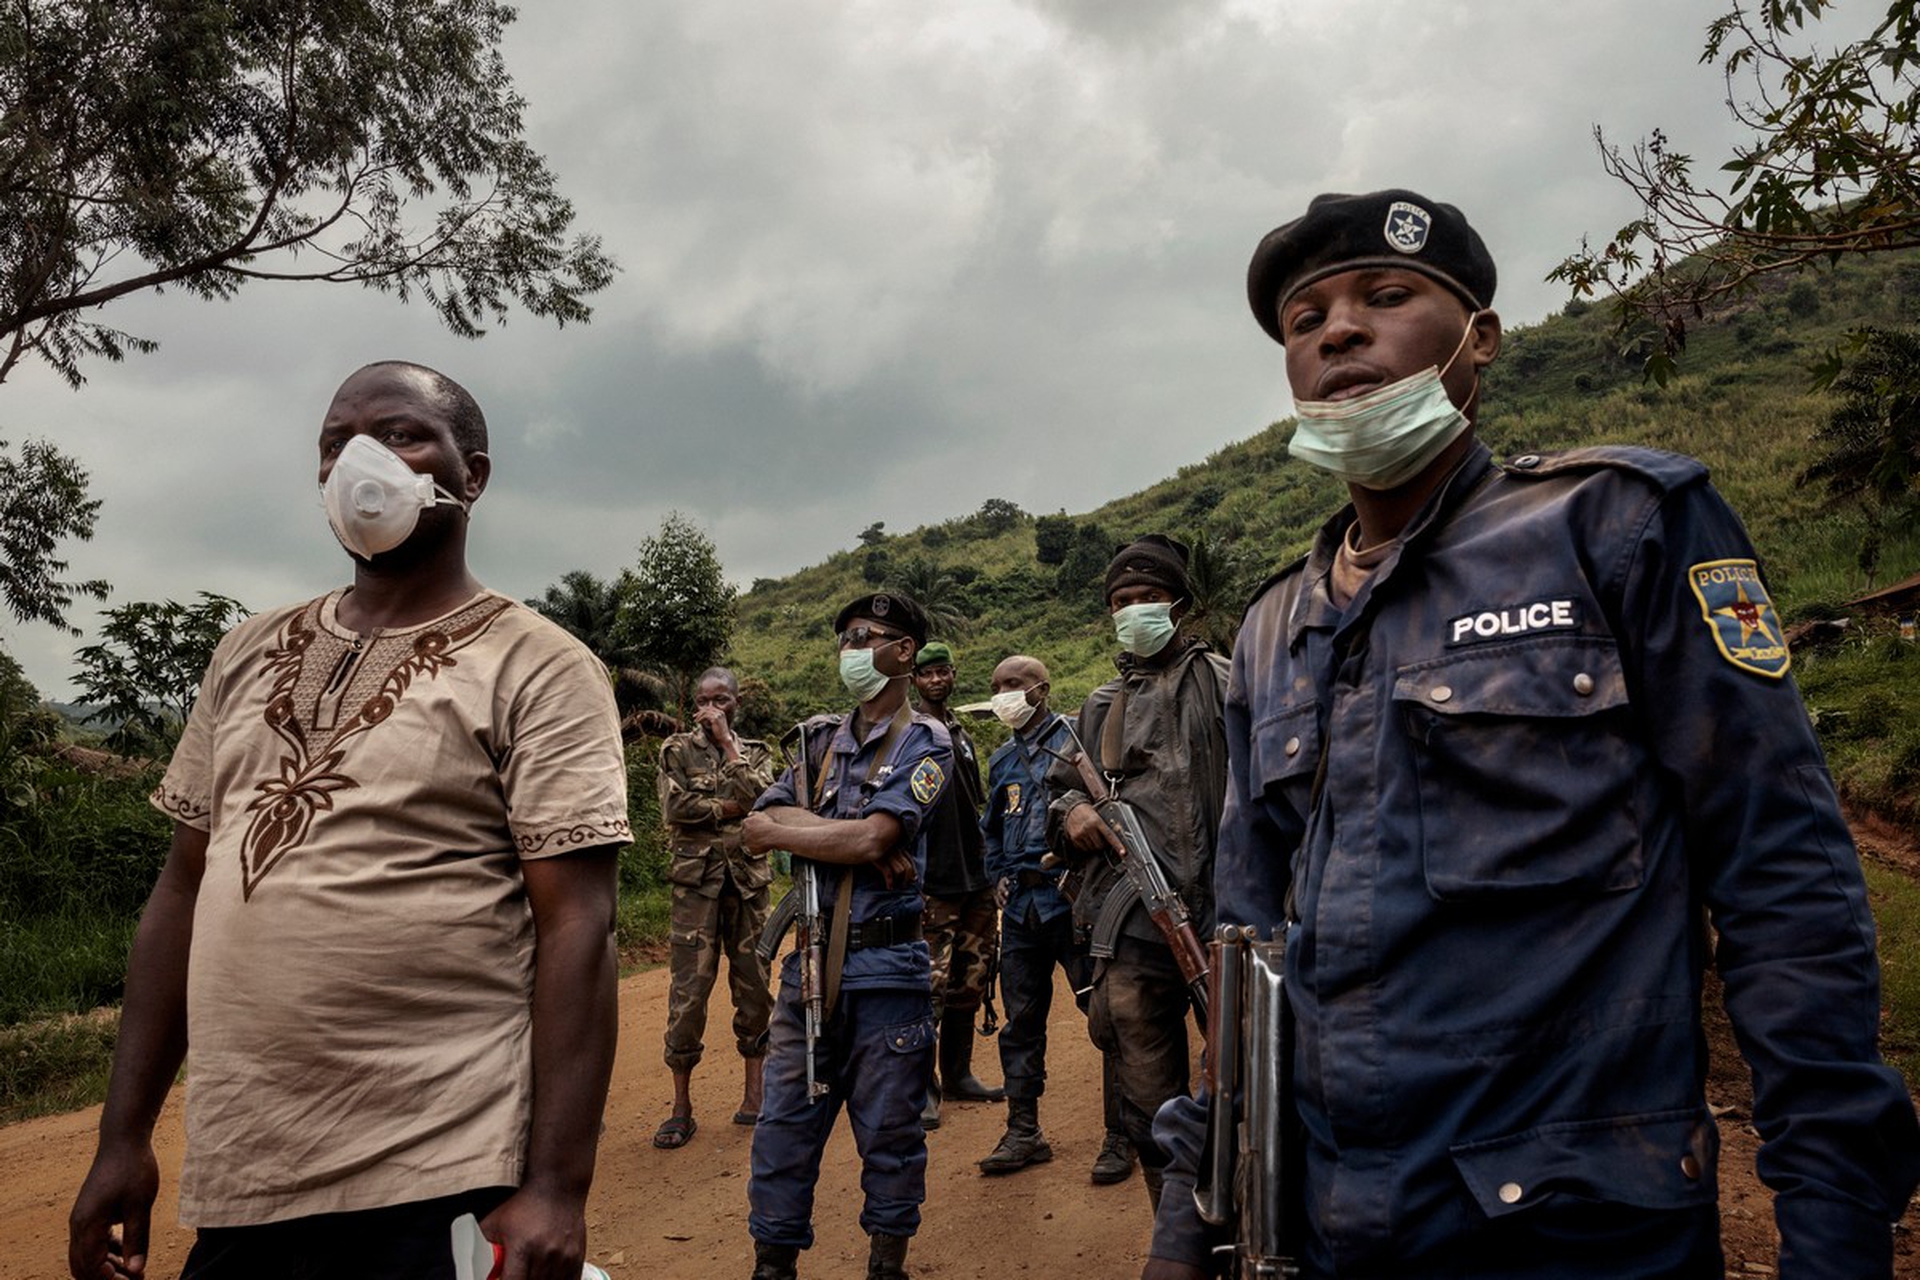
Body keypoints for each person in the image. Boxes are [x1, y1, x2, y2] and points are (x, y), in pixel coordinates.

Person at [1145, 189, 1920, 1279]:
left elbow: (1781, 871)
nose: (1339, 330)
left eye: (1387, 294)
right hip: (1330, 1227)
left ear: (1482, 337)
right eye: (1305, 316)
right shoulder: (1276, 625)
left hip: (1574, 1230)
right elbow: (1245, 948)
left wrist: (1835, 1222)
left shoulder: (1617, 524)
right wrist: (1191, 1209)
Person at [68, 362, 631, 1280]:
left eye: (404, 433)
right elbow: (182, 885)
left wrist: (560, 1188)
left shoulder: (539, 665)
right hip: (246, 1173)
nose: (360, 459)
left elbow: (580, 925)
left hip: (437, 1170)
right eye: (335, 444)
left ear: (472, 474)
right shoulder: (246, 652)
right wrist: (121, 1138)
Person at [741, 591, 953, 1280]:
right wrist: (832, 838)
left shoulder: (927, 742)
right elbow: (755, 826)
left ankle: (885, 1265)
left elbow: (876, 837)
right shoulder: (815, 741)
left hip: (887, 968)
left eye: (867, 636)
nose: (852, 650)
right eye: (845, 639)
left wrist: (803, 832)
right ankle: (773, 1264)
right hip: (806, 971)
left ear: (904, 652)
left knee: (890, 1136)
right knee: (781, 1132)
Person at [1050, 536, 1230, 1213]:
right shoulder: (1099, 707)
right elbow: (1059, 795)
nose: (1134, 611)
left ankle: (1245, 1225)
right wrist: (1071, 813)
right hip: (1131, 931)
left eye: (1148, 598)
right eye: (1122, 602)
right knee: (1149, 1096)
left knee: (1242, 1081)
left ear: (1179, 604)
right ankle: (1176, 1228)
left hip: (1226, 923)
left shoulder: (1226, 682)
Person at [975, 654, 1133, 1186]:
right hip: (1020, 909)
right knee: (1021, 1022)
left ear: (1041, 689)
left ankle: (1122, 1133)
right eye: (996, 685)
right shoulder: (1000, 760)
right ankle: (1024, 1131)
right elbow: (991, 828)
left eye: (1014, 684)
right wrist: (996, 871)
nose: (1004, 694)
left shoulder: (1078, 745)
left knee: (1106, 1017)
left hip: (1076, 903)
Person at [654, 666, 777, 1150]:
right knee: (689, 990)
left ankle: (756, 1096)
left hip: (747, 883)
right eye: (703, 701)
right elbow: (674, 809)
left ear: (735, 703)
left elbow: (766, 799)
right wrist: (731, 807)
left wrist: (730, 750)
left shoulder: (757, 752)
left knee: (756, 985)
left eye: (720, 701)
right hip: (695, 886)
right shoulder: (676, 750)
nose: (710, 710)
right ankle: (681, 1107)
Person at [909, 640, 1004, 1129]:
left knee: (972, 980)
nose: (937, 680)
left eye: (943, 672)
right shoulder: (910, 734)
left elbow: (979, 803)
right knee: (930, 988)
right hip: (935, 882)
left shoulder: (961, 733)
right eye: (927, 674)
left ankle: (961, 1073)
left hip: (977, 878)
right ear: (914, 681)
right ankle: (925, 1090)